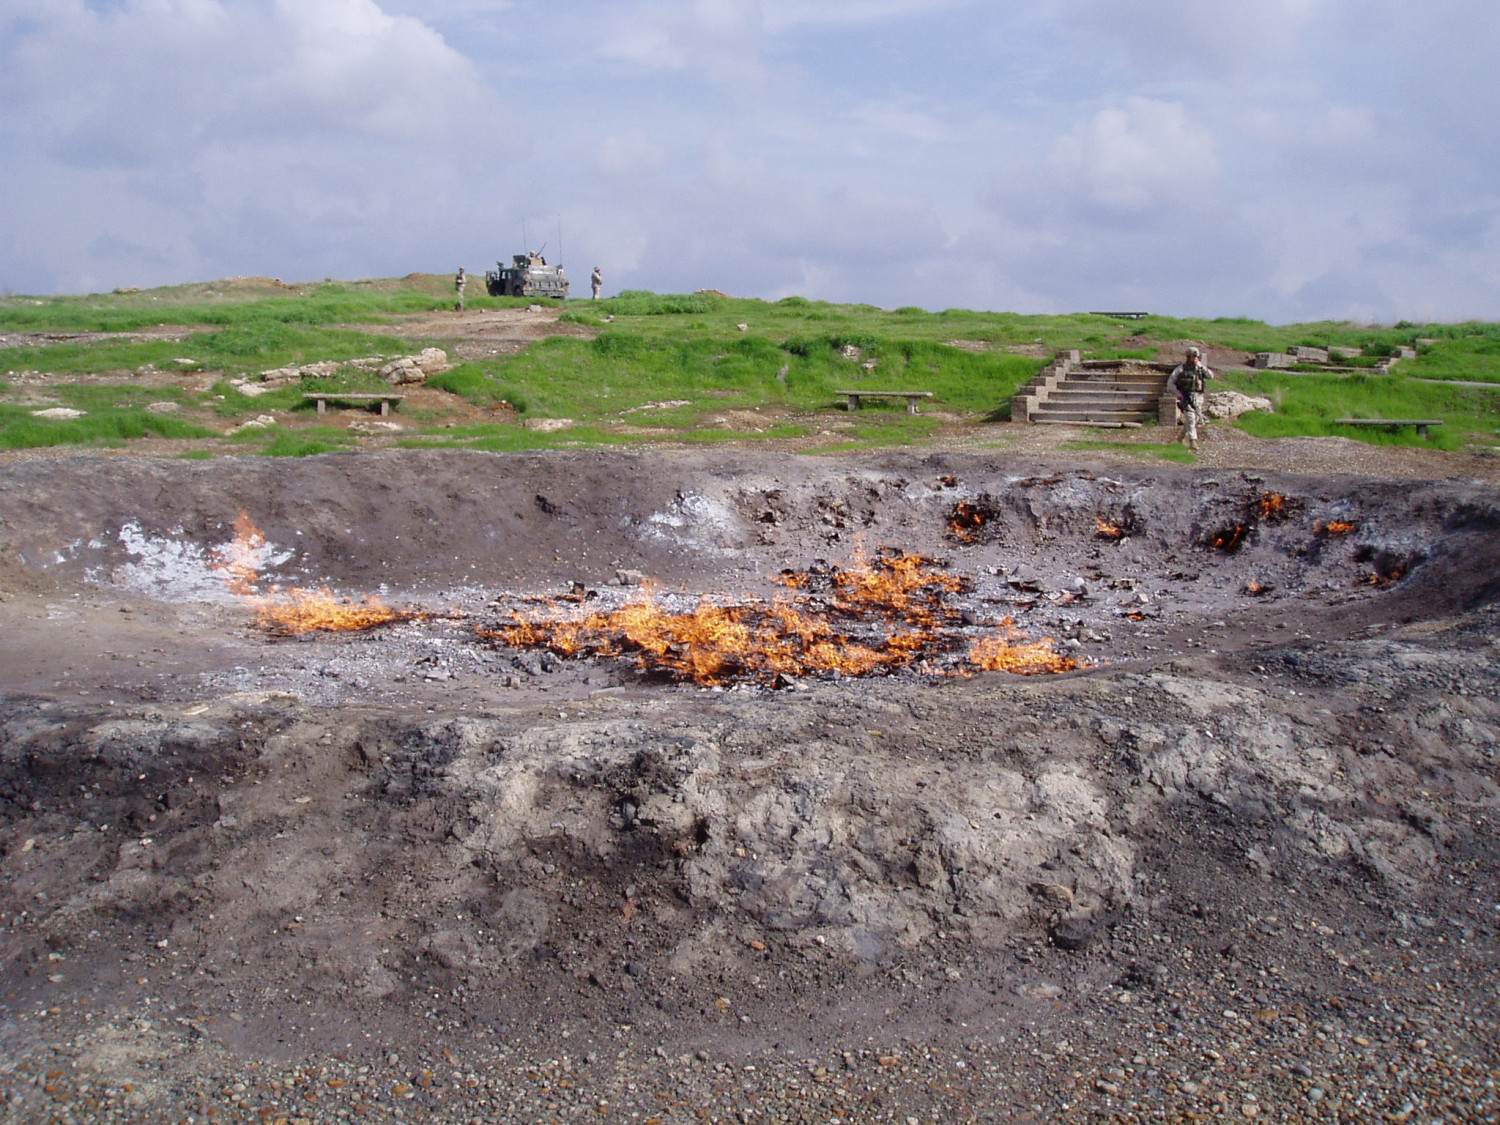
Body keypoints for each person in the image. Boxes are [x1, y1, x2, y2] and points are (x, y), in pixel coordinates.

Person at [1168, 346, 1214, 451]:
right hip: (1186, 396)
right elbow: (1170, 383)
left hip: (1198, 397)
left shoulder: (1200, 369)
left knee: (1196, 419)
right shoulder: (1181, 369)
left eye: (1195, 357)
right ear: (1187, 357)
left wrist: (1202, 367)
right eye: (1191, 357)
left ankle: (1180, 437)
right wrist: (1178, 394)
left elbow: (1211, 376)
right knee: (1191, 419)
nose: (1193, 359)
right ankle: (1193, 441)